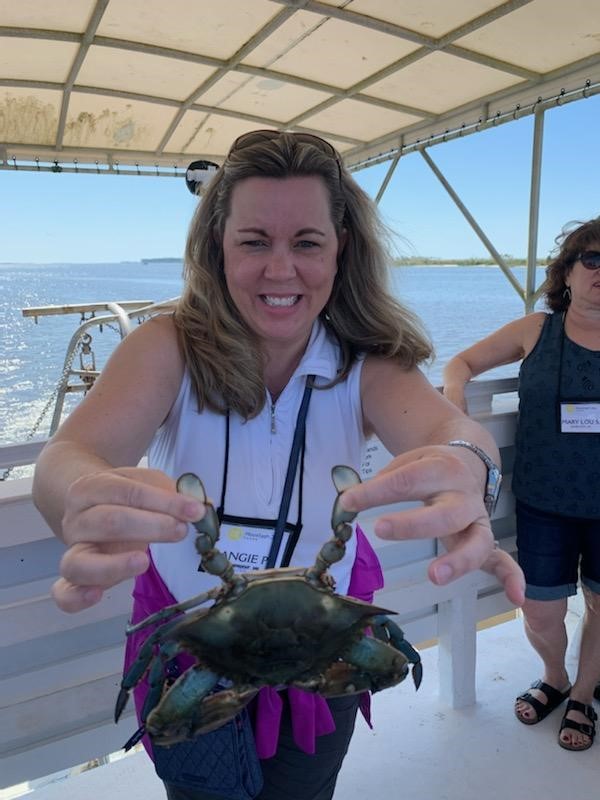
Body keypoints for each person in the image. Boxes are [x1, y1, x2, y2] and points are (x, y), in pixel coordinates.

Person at [33, 129, 524, 800]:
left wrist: (471, 468)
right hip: (198, 635)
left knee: (308, 787)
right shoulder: (166, 346)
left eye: (307, 243)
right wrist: (76, 497)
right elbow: (66, 457)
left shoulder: (366, 361)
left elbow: (451, 431)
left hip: (323, 634)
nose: (281, 270)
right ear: (219, 246)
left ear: (341, 248)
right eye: (255, 242)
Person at [443, 218, 600, 752]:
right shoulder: (536, 330)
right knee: (540, 607)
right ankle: (556, 676)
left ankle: (583, 694)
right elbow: (461, 362)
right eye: (592, 259)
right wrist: (455, 400)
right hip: (544, 500)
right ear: (568, 272)